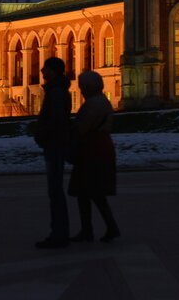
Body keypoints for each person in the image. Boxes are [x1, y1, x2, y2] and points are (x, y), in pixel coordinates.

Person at [67, 71, 120, 243]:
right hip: (101, 148)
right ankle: (107, 227)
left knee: (87, 192)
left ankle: (90, 229)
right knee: (95, 193)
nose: (81, 90)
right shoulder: (102, 101)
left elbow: (82, 127)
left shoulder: (93, 104)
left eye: (82, 86)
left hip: (92, 150)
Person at [33, 56, 72, 249]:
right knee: (55, 191)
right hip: (55, 144)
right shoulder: (57, 90)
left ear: (53, 71)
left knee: (55, 191)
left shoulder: (56, 92)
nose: (41, 71)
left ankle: (59, 233)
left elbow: (56, 121)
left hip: (54, 145)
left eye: (45, 68)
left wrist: (42, 134)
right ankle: (59, 231)